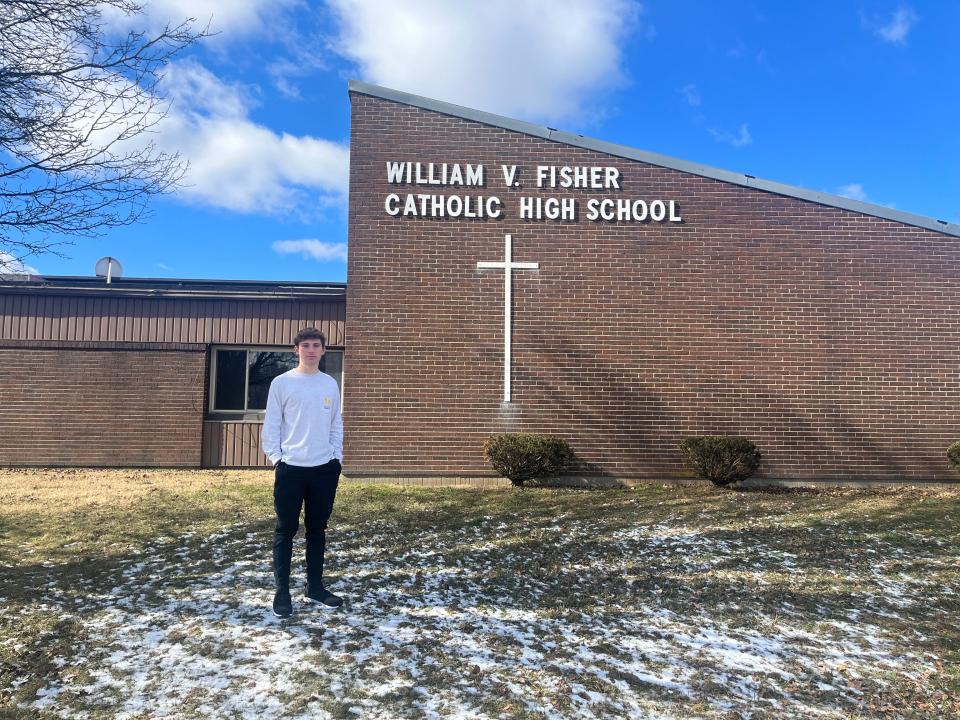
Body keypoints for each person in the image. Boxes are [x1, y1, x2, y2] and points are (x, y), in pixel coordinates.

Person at [261, 327, 344, 617]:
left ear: (323, 351)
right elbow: (271, 425)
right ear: (296, 349)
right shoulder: (282, 383)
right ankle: (282, 592)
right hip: (291, 469)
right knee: (285, 530)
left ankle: (315, 587)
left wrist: (336, 458)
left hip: (324, 469)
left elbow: (336, 423)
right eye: (305, 345)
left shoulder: (329, 384)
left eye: (316, 345)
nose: (310, 349)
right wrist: (276, 459)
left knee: (317, 530)